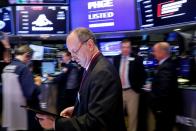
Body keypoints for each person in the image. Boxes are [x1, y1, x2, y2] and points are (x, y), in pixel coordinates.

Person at [36, 27, 126, 131]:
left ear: (90, 45)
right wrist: (77, 109)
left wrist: (55, 124)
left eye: (75, 51)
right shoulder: (91, 66)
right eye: (70, 53)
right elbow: (98, 105)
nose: (73, 58)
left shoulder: (103, 72)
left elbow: (96, 122)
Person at [2, 44, 42, 131]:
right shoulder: (23, 69)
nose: (29, 61)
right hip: (25, 114)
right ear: (27, 55)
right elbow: (30, 93)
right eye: (30, 58)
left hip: (10, 112)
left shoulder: (7, 68)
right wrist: (37, 85)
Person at [113, 39, 146, 131]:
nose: (125, 49)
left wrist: (138, 86)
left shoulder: (137, 59)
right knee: (118, 116)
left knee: (132, 116)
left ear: (130, 48)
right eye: (123, 47)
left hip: (132, 92)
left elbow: (143, 75)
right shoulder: (116, 59)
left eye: (127, 47)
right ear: (120, 48)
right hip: (119, 92)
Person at [149, 42, 178, 131]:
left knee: (163, 127)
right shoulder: (166, 64)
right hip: (164, 108)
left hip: (164, 109)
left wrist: (157, 107)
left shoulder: (166, 66)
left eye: (155, 51)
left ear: (162, 52)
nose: (153, 53)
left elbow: (164, 90)